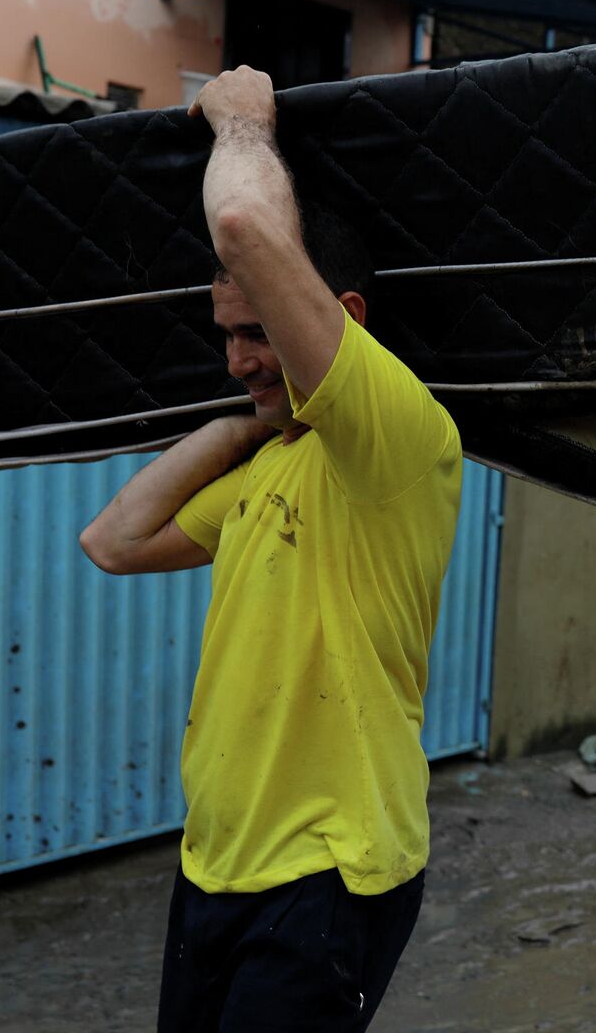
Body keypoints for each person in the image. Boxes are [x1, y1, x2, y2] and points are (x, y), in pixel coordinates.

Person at [78, 67, 463, 1031]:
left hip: (329, 872)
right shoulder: (267, 470)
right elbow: (113, 541)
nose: (240, 358)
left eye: (258, 332)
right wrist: (243, 430)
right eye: (227, 337)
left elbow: (245, 228)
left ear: (347, 322)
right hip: (216, 859)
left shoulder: (400, 439)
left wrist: (243, 121)